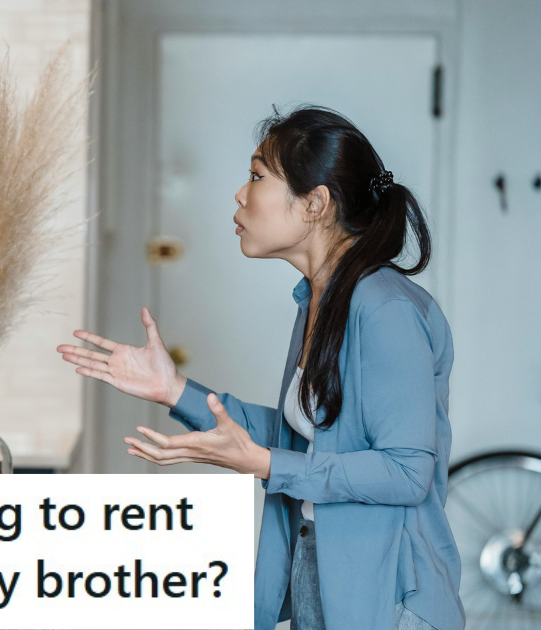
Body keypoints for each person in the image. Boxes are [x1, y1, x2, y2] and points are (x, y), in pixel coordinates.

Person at [58, 106, 462, 630]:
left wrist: (268, 466)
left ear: (315, 203)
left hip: (386, 597)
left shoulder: (386, 309)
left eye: (256, 176)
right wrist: (174, 390)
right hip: (318, 571)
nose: (239, 194)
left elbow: (407, 472)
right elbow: (306, 443)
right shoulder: (318, 299)